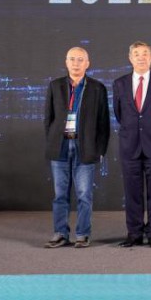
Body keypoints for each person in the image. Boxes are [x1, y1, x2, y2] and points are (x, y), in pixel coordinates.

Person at [44, 47, 110, 248]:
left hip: (86, 147)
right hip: (60, 146)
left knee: (84, 195)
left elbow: (103, 123)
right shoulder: (55, 86)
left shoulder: (97, 88)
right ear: (66, 62)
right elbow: (48, 118)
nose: (76, 63)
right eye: (72, 59)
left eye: (80, 59)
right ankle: (60, 233)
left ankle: (83, 234)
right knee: (60, 195)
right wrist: (52, 141)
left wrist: (100, 150)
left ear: (87, 63)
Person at [113, 41, 151, 248]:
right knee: (132, 193)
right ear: (130, 58)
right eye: (136, 54)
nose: (141, 57)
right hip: (130, 145)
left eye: (145, 53)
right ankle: (134, 234)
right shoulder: (119, 84)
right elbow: (119, 114)